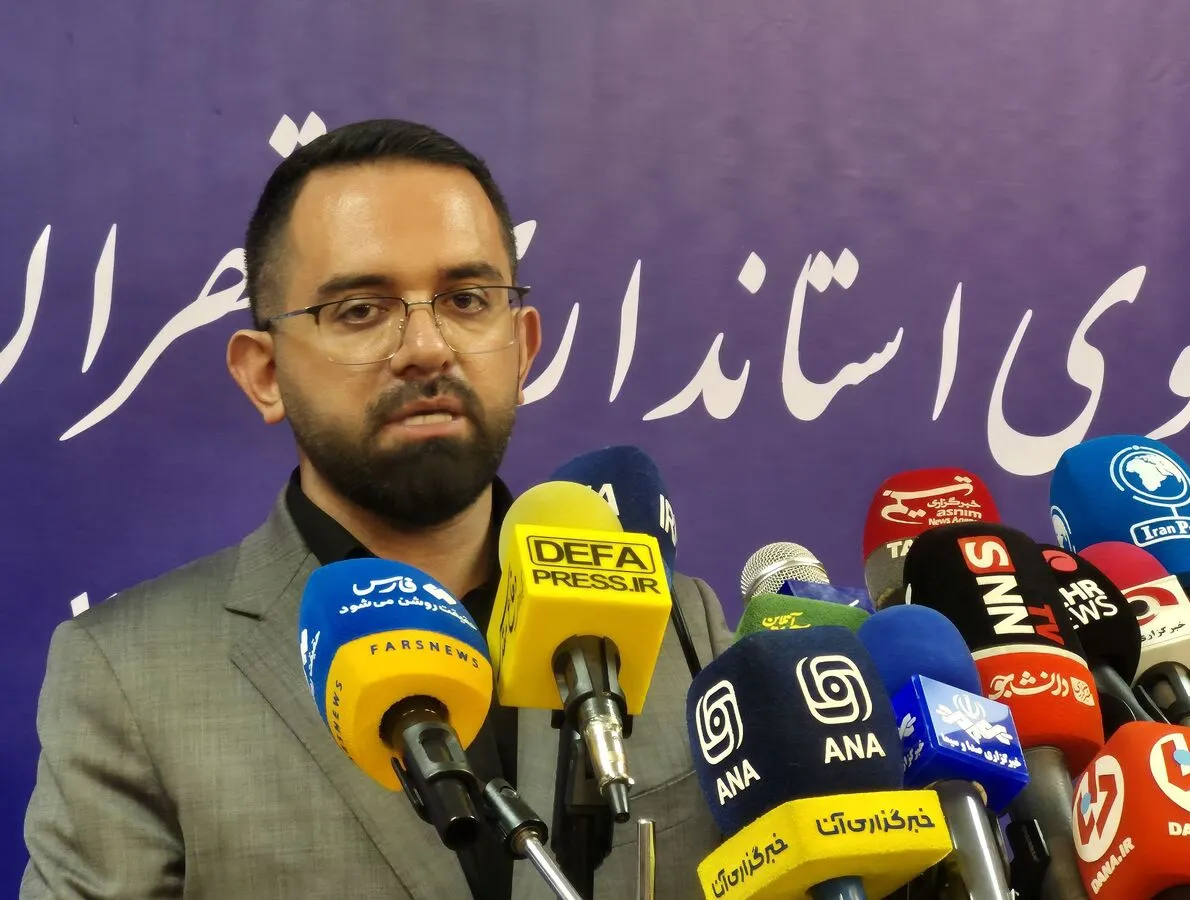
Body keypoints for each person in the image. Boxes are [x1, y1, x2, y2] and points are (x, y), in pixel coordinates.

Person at [21, 119, 732, 899]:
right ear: (265, 374)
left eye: (467, 299)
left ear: (524, 348)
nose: (426, 346)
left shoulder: (681, 627)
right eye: (360, 309)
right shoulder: (129, 676)